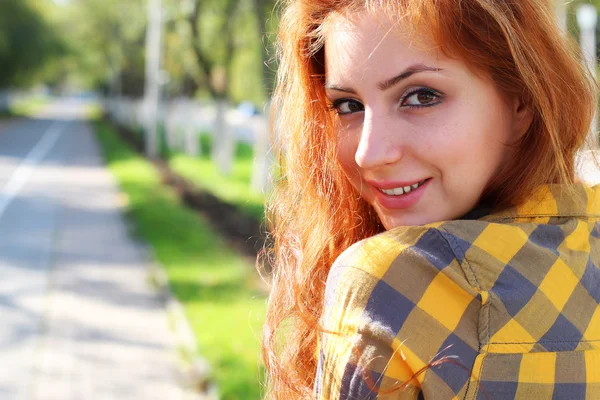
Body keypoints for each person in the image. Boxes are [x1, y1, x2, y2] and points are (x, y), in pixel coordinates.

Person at [262, 0, 600, 398]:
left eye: (421, 96)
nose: (368, 154)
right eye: (348, 106)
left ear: (520, 99)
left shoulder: (388, 281)